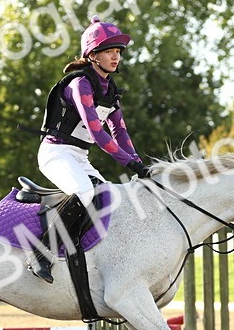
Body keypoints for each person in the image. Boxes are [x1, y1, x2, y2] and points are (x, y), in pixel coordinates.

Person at [30, 17, 150, 283]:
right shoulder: (80, 84)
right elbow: (97, 131)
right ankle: (41, 251)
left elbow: (120, 132)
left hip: (79, 157)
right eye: (109, 51)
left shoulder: (110, 90)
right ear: (93, 55)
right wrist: (129, 164)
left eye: (118, 52)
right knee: (84, 192)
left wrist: (140, 164)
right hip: (56, 153)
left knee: (108, 199)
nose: (116, 57)